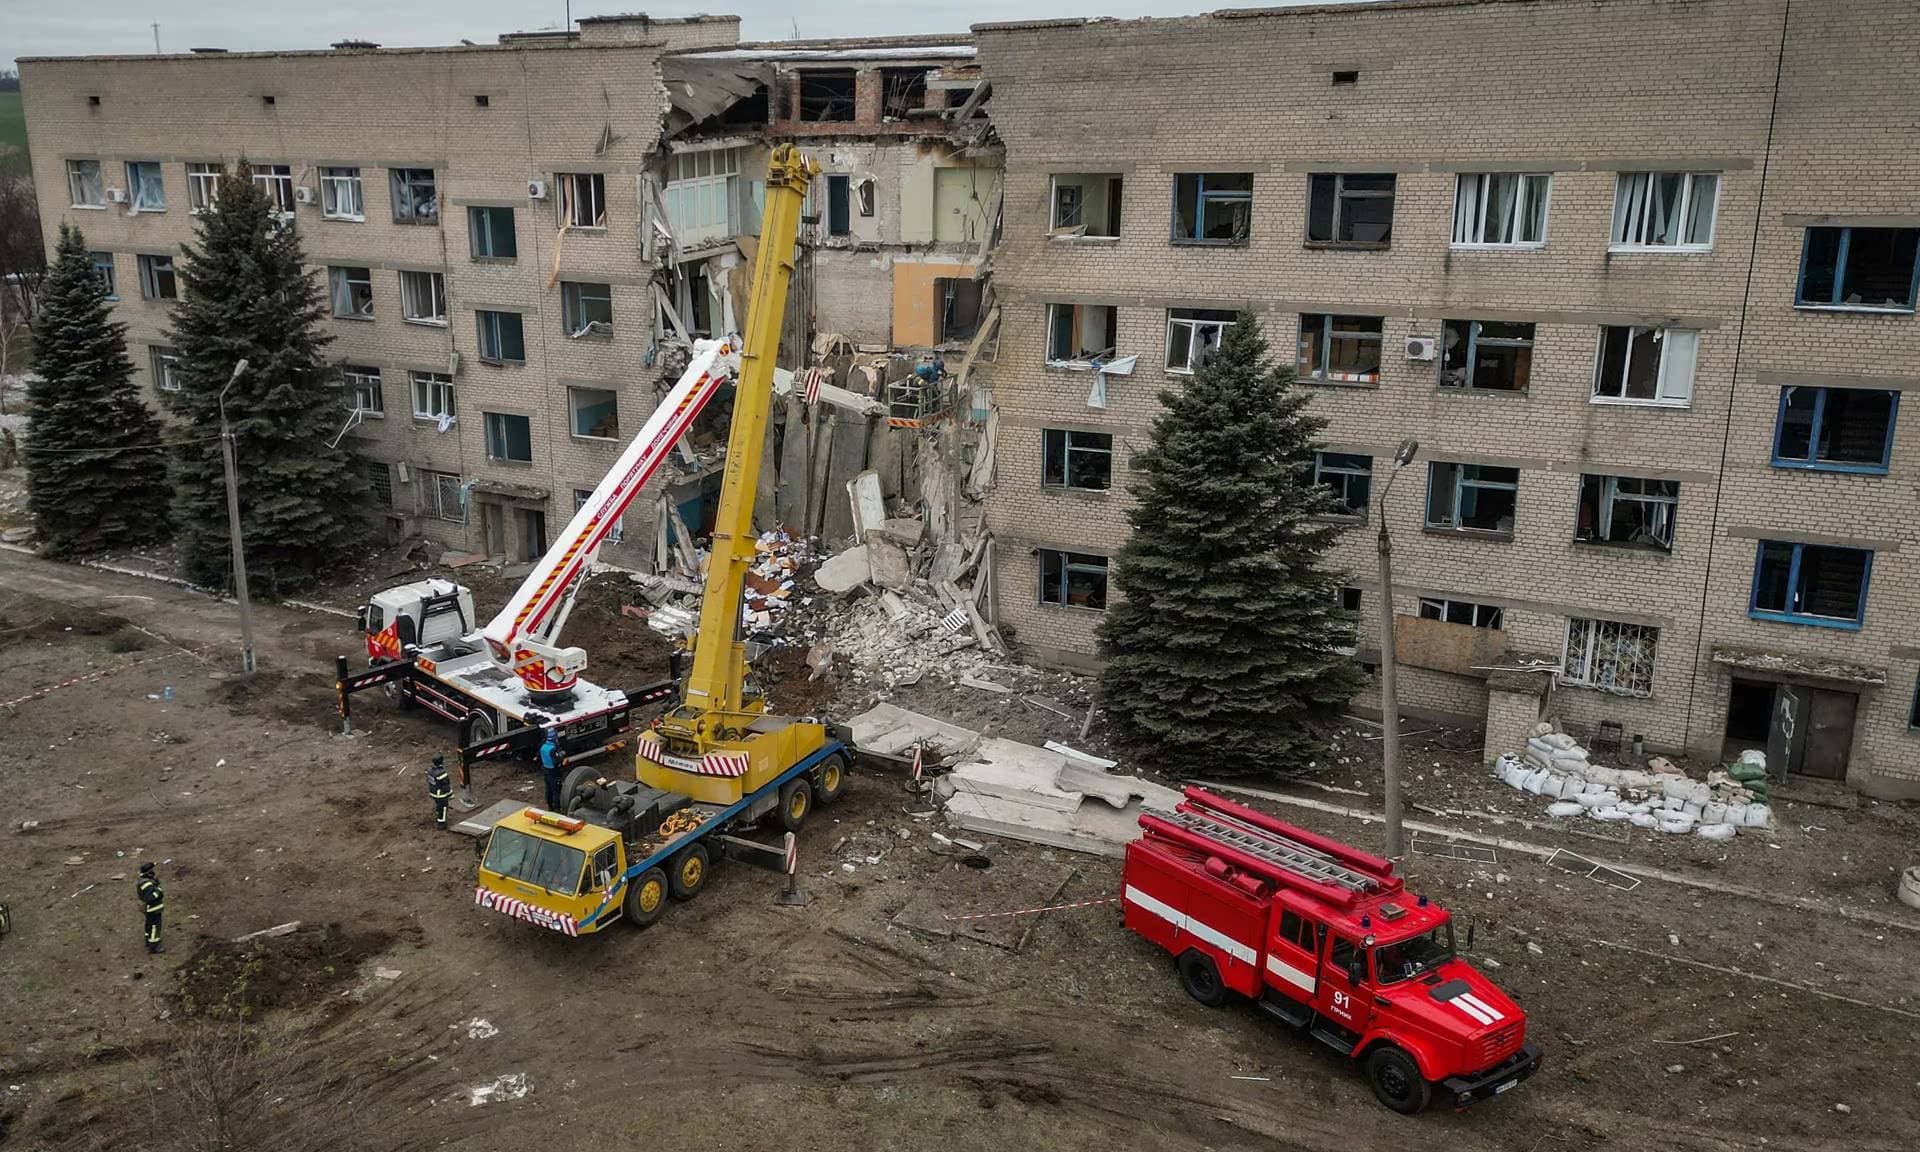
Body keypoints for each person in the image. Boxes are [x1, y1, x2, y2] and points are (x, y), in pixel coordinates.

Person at [135, 862, 164, 954]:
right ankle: (154, 947)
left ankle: (148, 941)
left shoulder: (144, 881)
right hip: (153, 909)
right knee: (155, 927)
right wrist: (159, 891)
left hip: (150, 909)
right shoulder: (147, 883)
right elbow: (150, 898)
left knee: (149, 926)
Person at [539, 728, 567, 813]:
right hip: (554, 772)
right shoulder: (553, 749)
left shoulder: (543, 746)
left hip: (546, 770)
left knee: (548, 789)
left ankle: (550, 805)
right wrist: (562, 757)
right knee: (556, 790)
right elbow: (556, 761)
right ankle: (557, 808)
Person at [426, 753, 453, 831]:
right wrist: (450, 794)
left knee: (438, 805)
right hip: (441, 795)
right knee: (443, 808)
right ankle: (441, 824)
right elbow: (445, 786)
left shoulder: (429, 770)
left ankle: (438, 813)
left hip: (433, 792)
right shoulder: (442, 773)